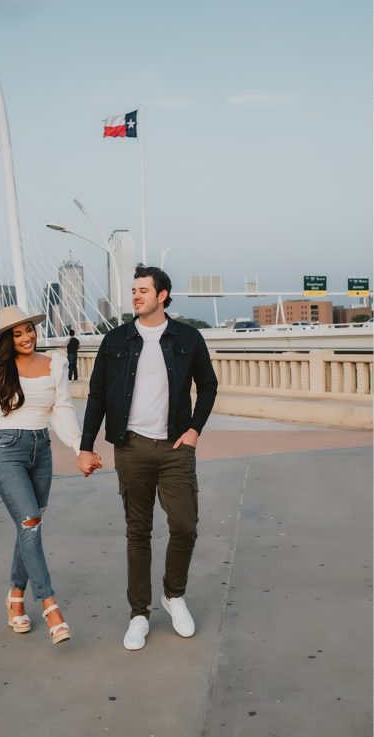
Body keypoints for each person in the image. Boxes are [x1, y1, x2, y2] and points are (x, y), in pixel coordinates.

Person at [78, 265, 218, 651]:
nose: (136, 296)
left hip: (175, 448)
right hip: (131, 446)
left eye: (143, 290)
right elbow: (98, 394)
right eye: (133, 290)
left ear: (163, 295)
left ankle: (174, 595)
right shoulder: (116, 339)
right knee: (137, 532)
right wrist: (86, 445)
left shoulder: (187, 338)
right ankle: (139, 613)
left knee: (185, 525)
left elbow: (208, 385)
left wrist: (194, 431)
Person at [0, 305, 92, 645]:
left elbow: (62, 410)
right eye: (17, 333)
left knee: (28, 526)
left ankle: (15, 598)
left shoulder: (56, 364)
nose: (26, 337)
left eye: (29, 330)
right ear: (7, 338)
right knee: (30, 523)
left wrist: (80, 449)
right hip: (8, 450)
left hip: (41, 451)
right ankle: (49, 605)